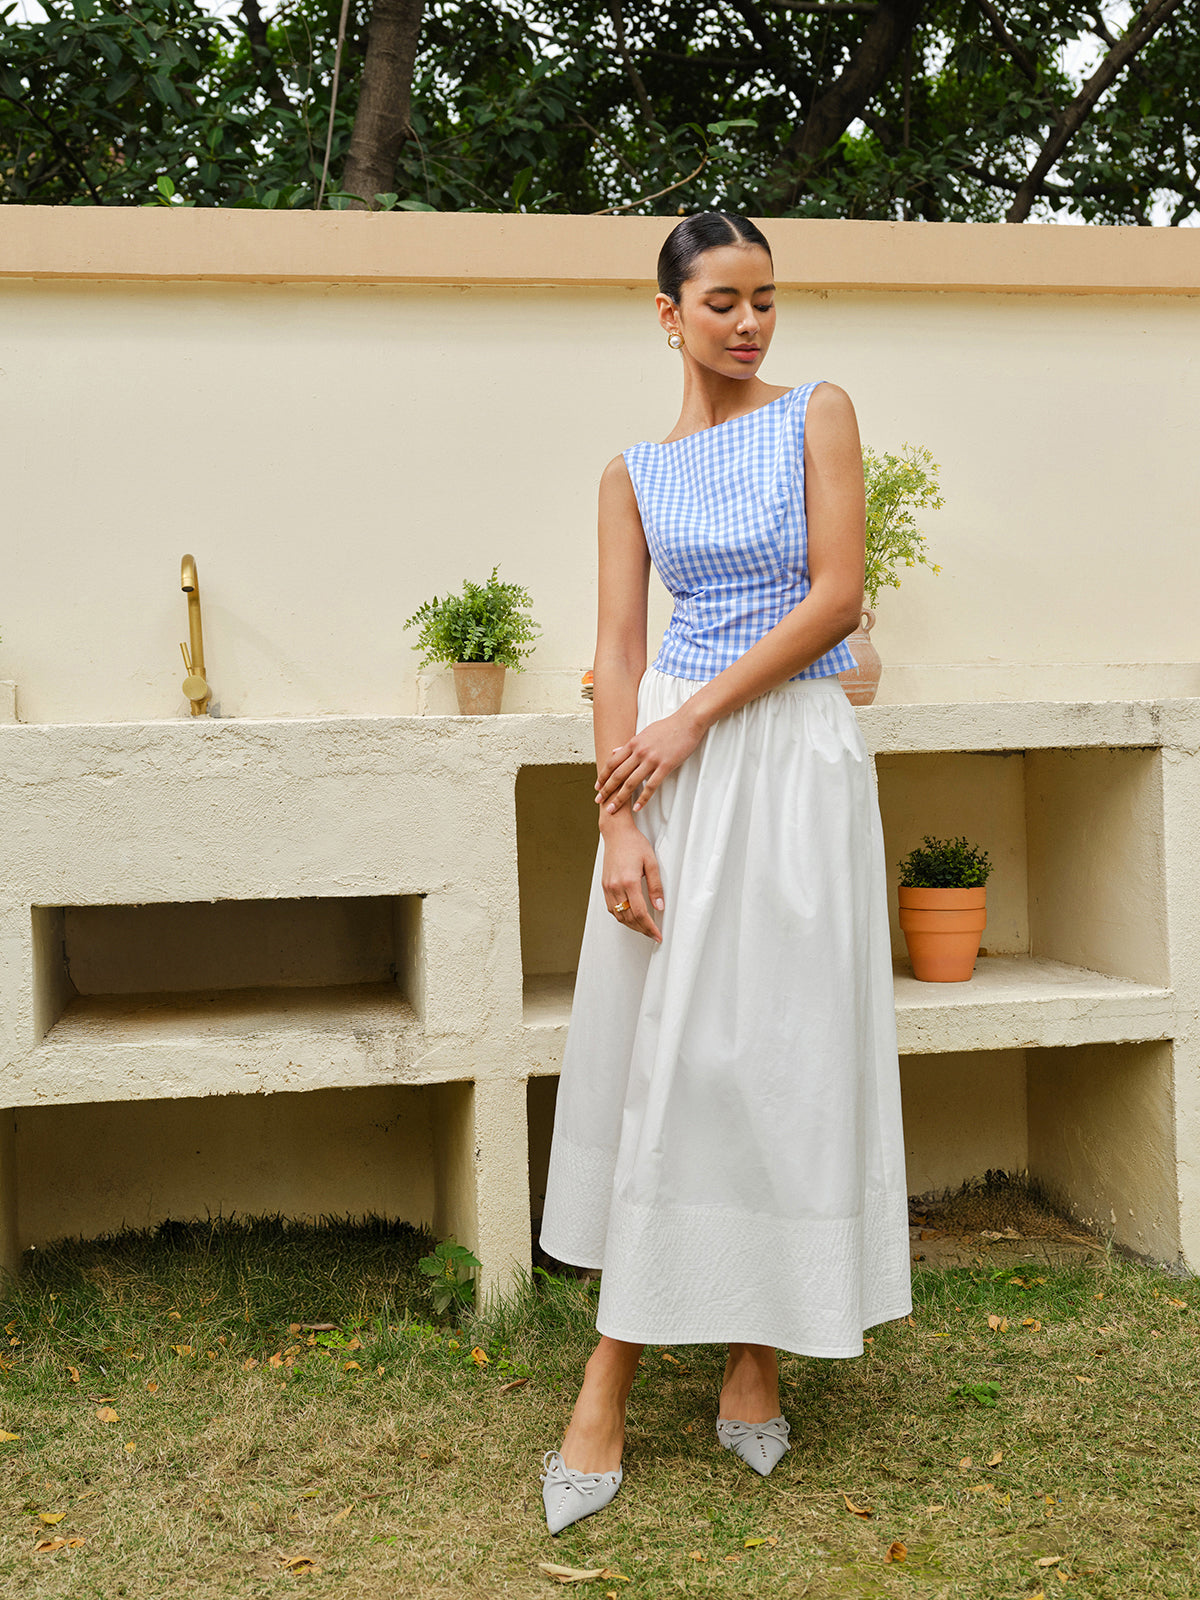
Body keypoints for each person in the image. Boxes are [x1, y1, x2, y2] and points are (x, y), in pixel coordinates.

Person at [537, 212, 912, 1536]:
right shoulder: (631, 473)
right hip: (675, 777)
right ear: (669, 312)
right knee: (672, 1058)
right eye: (723, 302)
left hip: (793, 758)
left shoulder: (818, 411)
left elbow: (835, 597)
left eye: (766, 299)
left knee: (779, 1055)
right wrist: (617, 825)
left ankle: (756, 1356)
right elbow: (619, 650)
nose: (750, 323)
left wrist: (696, 720)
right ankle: (609, 1377)